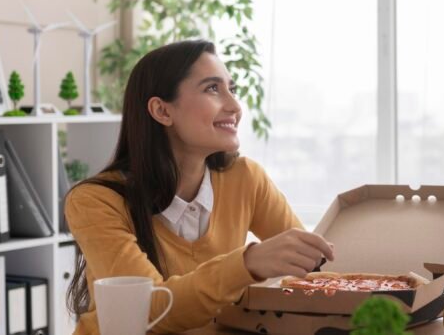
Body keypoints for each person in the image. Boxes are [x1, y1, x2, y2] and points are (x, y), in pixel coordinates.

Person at [65, 40, 335, 334]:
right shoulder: (95, 201)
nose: (234, 106)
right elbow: (150, 310)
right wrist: (248, 263)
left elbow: (311, 273)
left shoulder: (246, 179)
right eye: (212, 89)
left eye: (232, 89)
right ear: (162, 111)